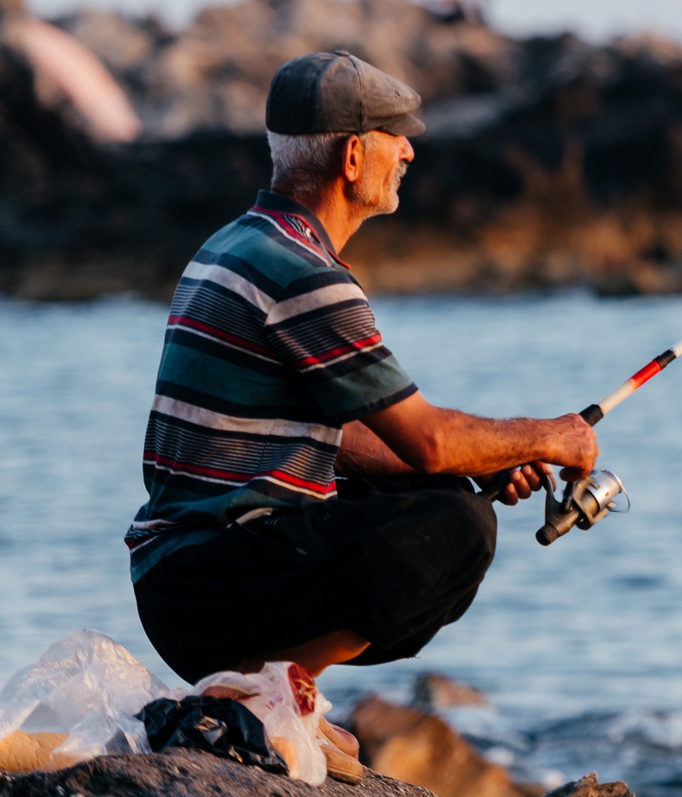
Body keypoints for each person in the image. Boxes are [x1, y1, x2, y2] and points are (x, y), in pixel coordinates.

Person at [127, 50, 598, 689]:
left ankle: (270, 683)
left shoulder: (233, 243)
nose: (407, 153)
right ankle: (275, 689)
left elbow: (339, 440)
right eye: (394, 139)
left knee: (442, 493)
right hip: (209, 583)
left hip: (182, 579)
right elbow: (429, 441)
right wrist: (552, 436)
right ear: (352, 159)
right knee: (459, 529)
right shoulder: (306, 275)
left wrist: (489, 458)